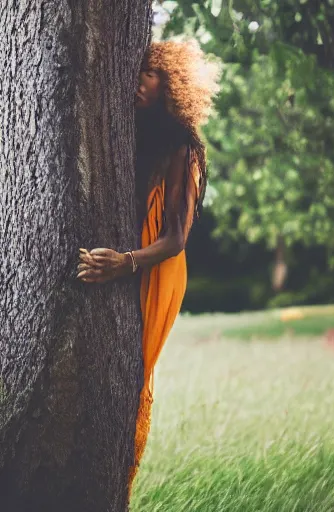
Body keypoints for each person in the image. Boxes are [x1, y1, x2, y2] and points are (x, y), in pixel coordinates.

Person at [76, 38, 220, 491]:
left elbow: (176, 239)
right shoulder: (133, 130)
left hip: (158, 267)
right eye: (138, 72)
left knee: (136, 371)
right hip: (136, 259)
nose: (138, 82)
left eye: (149, 74)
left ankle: (125, 474)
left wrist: (124, 263)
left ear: (172, 84)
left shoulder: (181, 147)